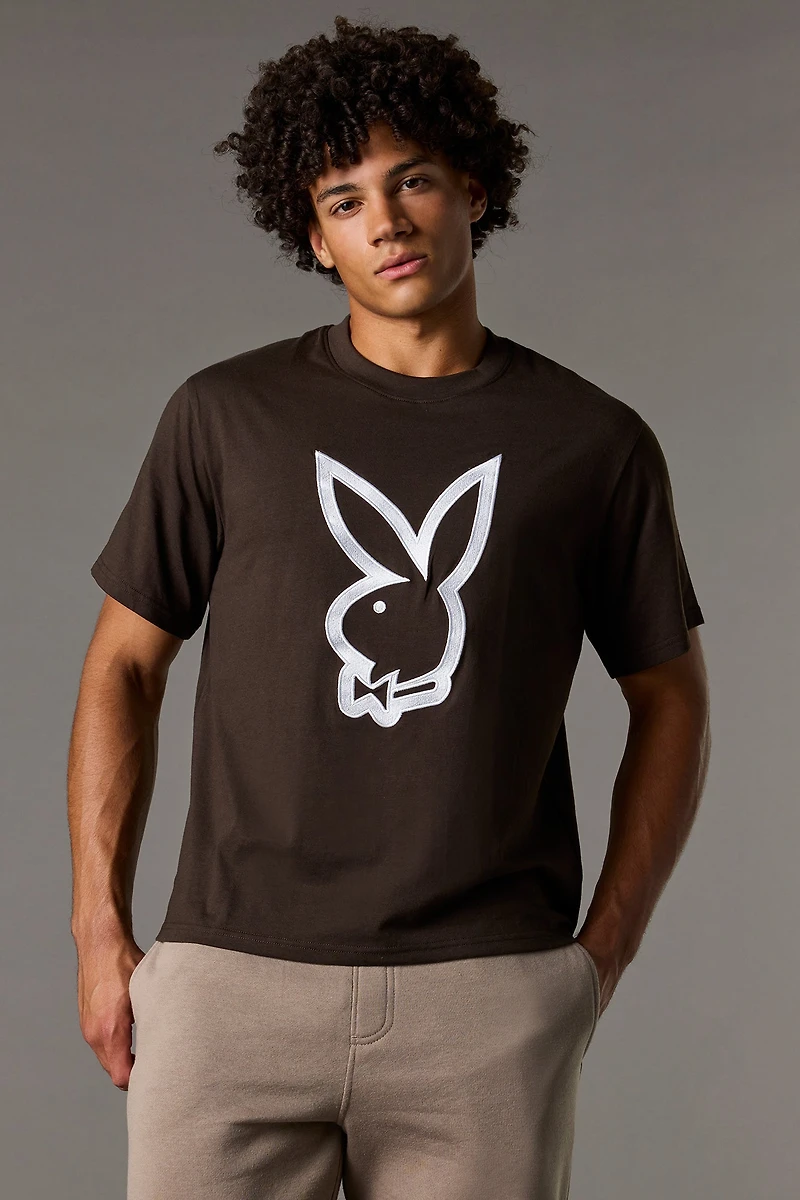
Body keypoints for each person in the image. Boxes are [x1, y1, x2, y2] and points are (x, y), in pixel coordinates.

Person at [67, 15, 711, 1199]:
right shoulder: (225, 417)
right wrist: (99, 934)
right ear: (314, 240)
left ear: (472, 186)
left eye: (411, 180)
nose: (387, 221)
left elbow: (669, 696)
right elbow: (123, 666)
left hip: (483, 1002)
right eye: (344, 199)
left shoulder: (591, 442)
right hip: (230, 990)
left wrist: (597, 956)